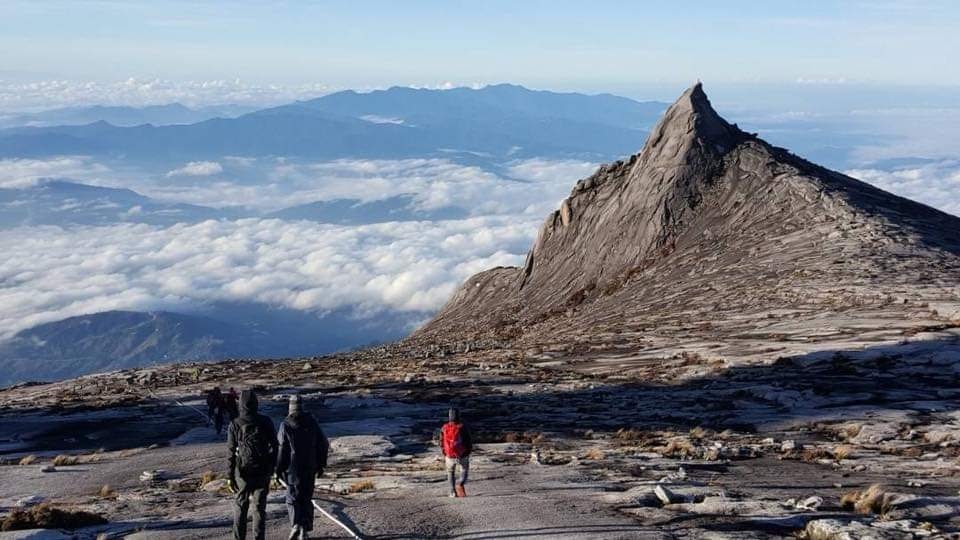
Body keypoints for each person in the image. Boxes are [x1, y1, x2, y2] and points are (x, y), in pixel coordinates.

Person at [277, 394, 330, 540]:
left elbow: (282, 448)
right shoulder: (312, 422)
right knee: (306, 497)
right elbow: (323, 444)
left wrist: (278, 468)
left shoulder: (285, 424)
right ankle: (304, 529)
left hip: (292, 469)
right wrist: (321, 464)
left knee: (292, 498)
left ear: (290, 407)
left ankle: (296, 526)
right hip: (310, 466)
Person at [227, 390, 278, 540]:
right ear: (256, 403)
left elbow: (230, 453)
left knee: (240, 508)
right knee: (259, 509)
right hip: (262, 471)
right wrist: (272, 467)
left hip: (242, 472)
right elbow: (275, 446)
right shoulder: (265, 421)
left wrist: (229, 476)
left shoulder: (235, 424)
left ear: (240, 404)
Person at [440, 407, 473, 498]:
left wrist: (444, 452)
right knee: (464, 470)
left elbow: (441, 441)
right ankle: (460, 484)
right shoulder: (462, 427)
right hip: (462, 454)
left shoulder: (444, 427)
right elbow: (468, 441)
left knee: (450, 472)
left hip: (449, 455)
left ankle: (452, 492)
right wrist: (468, 451)